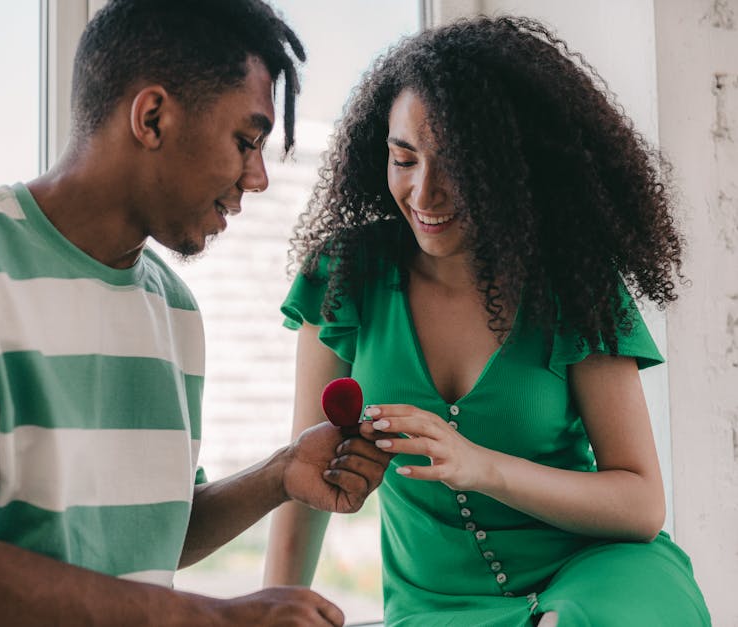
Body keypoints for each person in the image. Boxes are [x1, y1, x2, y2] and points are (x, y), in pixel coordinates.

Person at [0, 1, 392, 625]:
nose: (257, 178)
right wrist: (222, 619)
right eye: (245, 141)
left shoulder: (173, 309)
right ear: (152, 118)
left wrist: (279, 474)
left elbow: (145, 537)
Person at [264, 15, 711, 627]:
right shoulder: (344, 275)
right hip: (436, 607)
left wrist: (483, 466)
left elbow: (640, 503)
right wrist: (269, 609)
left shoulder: (574, 284)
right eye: (404, 159)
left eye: (459, 165)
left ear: (516, 167)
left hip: (596, 576)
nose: (425, 194)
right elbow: (306, 473)